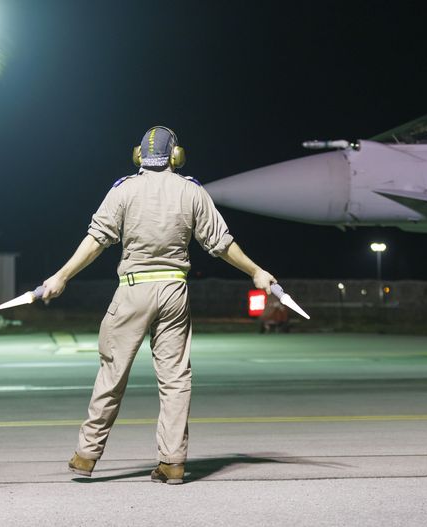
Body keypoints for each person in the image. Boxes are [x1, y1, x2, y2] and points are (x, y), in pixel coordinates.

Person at [42, 126, 276, 485]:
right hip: (174, 293)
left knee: (112, 373)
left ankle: (87, 455)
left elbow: (96, 239)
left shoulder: (123, 190)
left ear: (139, 154)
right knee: (175, 380)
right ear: (175, 156)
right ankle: (173, 462)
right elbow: (221, 243)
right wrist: (256, 271)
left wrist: (62, 276)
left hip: (133, 291)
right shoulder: (192, 191)